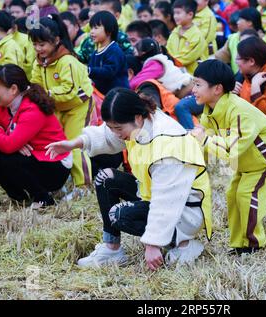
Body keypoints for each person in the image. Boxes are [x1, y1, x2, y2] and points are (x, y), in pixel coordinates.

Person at [46, 88, 213, 270]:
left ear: (137, 118)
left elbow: (167, 201)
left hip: (185, 210)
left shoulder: (167, 142)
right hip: (151, 195)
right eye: (112, 127)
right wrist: (73, 144)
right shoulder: (139, 124)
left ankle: (183, 243)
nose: (116, 133)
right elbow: (106, 135)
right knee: (105, 178)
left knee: (118, 215)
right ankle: (112, 250)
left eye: (118, 128)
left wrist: (152, 243)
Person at [191, 60, 266, 254]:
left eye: (198, 84)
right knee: (232, 195)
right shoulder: (209, 111)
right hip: (244, 161)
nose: (193, 89)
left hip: (263, 158)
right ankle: (238, 243)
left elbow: (232, 148)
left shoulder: (239, 110)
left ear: (217, 89)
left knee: (246, 196)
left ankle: (253, 244)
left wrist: (205, 140)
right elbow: (206, 145)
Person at [0, 64, 71, 208]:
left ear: (13, 89)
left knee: (9, 159)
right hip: (32, 157)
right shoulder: (1, 105)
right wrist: (8, 138)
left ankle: (43, 198)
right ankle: (19, 198)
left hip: (55, 165)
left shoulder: (33, 109)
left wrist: (4, 137)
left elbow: (9, 145)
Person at [29, 14, 94, 191]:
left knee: (75, 144)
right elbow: (35, 83)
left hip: (78, 105)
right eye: (34, 44)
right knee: (56, 143)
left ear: (56, 40)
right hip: (56, 106)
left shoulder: (67, 61)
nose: (38, 48)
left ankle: (83, 185)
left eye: (42, 44)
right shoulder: (39, 62)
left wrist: (45, 94)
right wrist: (34, 92)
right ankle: (64, 180)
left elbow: (69, 89)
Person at [88, 11, 129, 95]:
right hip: (102, 95)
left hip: (118, 95)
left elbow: (109, 72)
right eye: (91, 28)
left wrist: (89, 71)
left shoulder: (114, 50)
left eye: (96, 28)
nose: (92, 32)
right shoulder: (95, 52)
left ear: (109, 30)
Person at [215, 7, 262, 74]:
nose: (237, 22)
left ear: (249, 23)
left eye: (240, 19)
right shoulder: (233, 38)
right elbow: (220, 56)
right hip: (237, 79)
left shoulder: (263, 39)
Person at [166, 0, 208, 74]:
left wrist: (168, 62)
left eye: (178, 13)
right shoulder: (175, 32)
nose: (175, 16)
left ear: (190, 15)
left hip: (193, 76)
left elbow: (186, 57)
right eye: (174, 13)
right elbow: (168, 50)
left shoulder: (196, 36)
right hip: (175, 72)